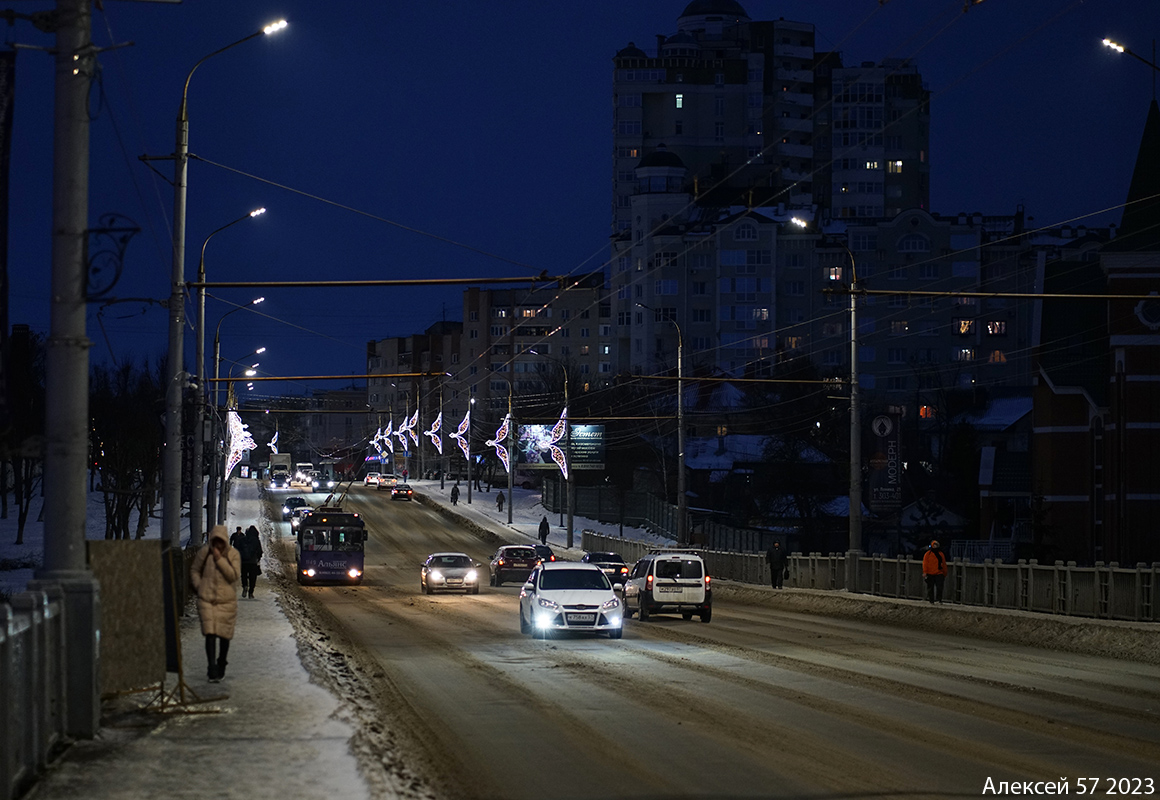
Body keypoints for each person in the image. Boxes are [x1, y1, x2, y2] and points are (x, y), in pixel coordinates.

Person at [190, 525, 240, 682]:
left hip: (227, 601)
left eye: (220, 541)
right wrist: (200, 586)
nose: (217, 545)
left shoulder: (233, 554)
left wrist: (219, 559)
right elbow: (195, 570)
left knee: (224, 635)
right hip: (207, 600)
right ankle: (211, 668)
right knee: (210, 634)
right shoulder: (204, 553)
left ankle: (221, 663)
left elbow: (233, 576)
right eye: (215, 541)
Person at [238, 524, 264, 599]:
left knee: (244, 575)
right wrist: (258, 558)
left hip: (244, 561)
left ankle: (245, 585)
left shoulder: (242, 539)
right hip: (253, 562)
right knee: (253, 577)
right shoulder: (256, 541)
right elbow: (259, 551)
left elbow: (238, 549)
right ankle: (251, 592)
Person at [923, 539, 948, 604]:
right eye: (934, 545)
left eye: (936, 545)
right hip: (930, 573)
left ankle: (939, 599)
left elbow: (944, 563)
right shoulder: (928, 554)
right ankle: (931, 600)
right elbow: (925, 563)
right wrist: (925, 572)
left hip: (939, 572)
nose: (935, 546)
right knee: (930, 588)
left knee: (940, 587)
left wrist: (944, 572)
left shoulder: (941, 554)